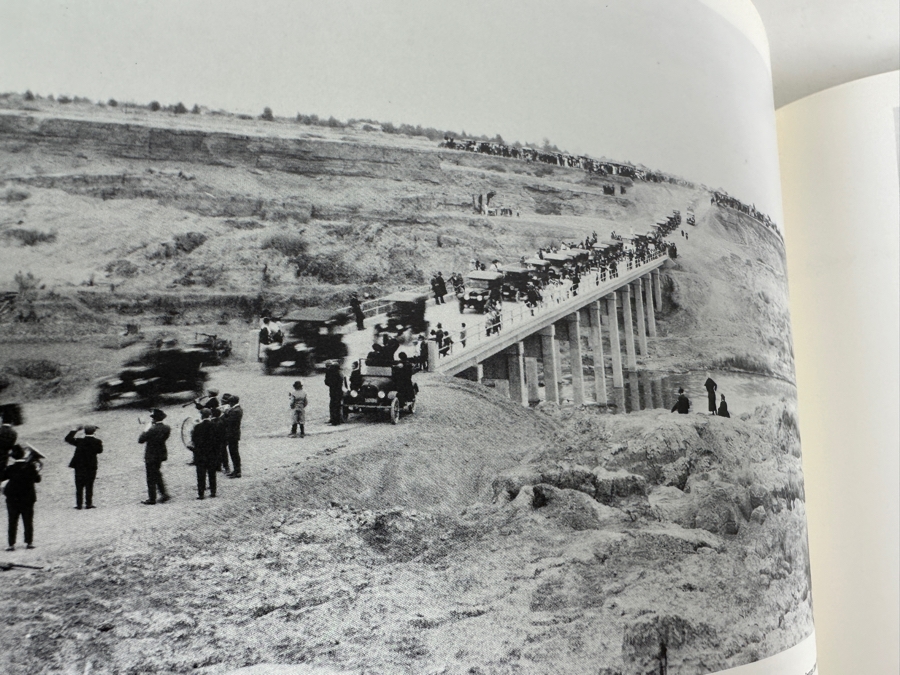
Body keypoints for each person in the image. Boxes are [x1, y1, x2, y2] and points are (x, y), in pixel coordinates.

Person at [4, 444, 40, 550]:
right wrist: (37, 469)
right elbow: (37, 479)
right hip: (28, 497)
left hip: (12, 498)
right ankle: (29, 542)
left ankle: (11, 544)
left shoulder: (10, 468)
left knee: (12, 521)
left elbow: (2, 477)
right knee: (28, 520)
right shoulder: (30, 467)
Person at [64, 424, 103, 510]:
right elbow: (100, 451)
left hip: (79, 466)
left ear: (84, 432)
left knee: (79, 485)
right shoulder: (97, 441)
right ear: (94, 432)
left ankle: (79, 504)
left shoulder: (79, 441)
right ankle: (88, 504)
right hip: (91, 466)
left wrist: (75, 430)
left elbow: (67, 439)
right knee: (89, 485)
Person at [138, 409, 171, 505]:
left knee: (151, 477)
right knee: (157, 473)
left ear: (154, 419)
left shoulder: (151, 429)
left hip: (151, 455)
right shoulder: (167, 428)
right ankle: (164, 494)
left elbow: (140, 440)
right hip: (161, 454)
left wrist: (146, 429)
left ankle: (152, 498)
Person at [191, 409, 217, 499]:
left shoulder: (197, 427)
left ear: (201, 416)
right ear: (209, 415)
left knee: (201, 474)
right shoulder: (214, 425)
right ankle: (213, 492)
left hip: (200, 454)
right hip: (212, 453)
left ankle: (201, 494)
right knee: (212, 473)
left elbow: (194, 440)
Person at [222, 394, 243, 478]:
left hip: (232, 435)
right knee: (233, 452)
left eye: (230, 402)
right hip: (234, 434)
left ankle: (237, 471)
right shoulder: (236, 409)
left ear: (232, 402)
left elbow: (228, 421)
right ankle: (236, 470)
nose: (229, 404)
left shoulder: (235, 411)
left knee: (234, 453)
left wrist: (225, 412)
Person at [210, 407, 228, 472]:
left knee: (218, 453)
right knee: (222, 453)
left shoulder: (213, 422)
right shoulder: (221, 420)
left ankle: (219, 466)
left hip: (217, 440)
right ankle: (222, 466)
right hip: (222, 440)